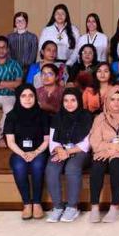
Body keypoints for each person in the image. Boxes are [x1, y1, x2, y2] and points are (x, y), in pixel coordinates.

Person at [88, 85, 119, 223]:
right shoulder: (100, 118)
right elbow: (95, 142)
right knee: (97, 165)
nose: (116, 103)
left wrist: (114, 150)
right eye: (112, 99)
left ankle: (115, 207)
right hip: (103, 151)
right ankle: (94, 207)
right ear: (107, 101)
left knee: (116, 164)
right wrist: (112, 148)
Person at [45, 88, 93, 223]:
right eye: (66, 100)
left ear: (79, 101)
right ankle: (58, 207)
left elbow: (86, 143)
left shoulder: (86, 116)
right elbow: (53, 140)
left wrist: (68, 152)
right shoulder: (57, 116)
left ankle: (72, 207)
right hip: (61, 150)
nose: (69, 104)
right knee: (51, 168)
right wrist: (59, 149)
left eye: (73, 100)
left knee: (72, 168)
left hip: (79, 150)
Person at [4, 84, 49, 220]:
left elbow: (47, 140)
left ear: (35, 97)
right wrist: (23, 154)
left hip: (39, 151)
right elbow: (10, 141)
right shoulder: (11, 116)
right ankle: (27, 204)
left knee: (37, 165)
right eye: (23, 96)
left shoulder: (43, 115)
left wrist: (35, 152)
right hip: (19, 151)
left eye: (31, 96)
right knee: (19, 166)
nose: (28, 99)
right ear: (18, 98)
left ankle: (37, 203)